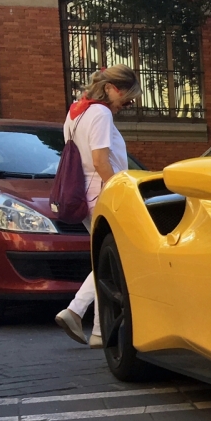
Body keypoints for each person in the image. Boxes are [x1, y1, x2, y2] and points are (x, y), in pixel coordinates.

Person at [55, 65, 142, 348]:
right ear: (110, 89)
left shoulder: (75, 112)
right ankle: (76, 311)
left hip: (85, 195)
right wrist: (122, 193)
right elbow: (101, 161)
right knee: (116, 259)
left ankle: (98, 332)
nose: (126, 104)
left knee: (104, 259)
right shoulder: (101, 114)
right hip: (104, 194)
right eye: (126, 97)